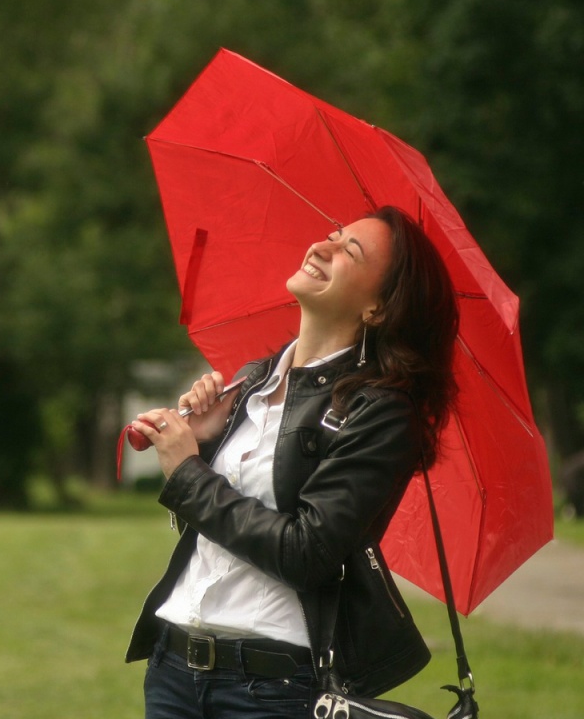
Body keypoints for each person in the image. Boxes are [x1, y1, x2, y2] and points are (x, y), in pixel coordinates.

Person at [125, 205, 459, 719]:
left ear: (378, 308)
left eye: (350, 251)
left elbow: (307, 553)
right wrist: (207, 444)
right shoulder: (253, 382)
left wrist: (189, 473)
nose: (323, 246)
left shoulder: (381, 413)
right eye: (333, 234)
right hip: (173, 670)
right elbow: (227, 533)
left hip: (268, 690)